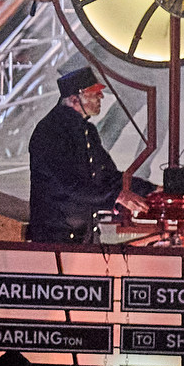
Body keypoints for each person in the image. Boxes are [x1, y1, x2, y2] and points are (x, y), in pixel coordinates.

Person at [28, 67, 151, 244]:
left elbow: (107, 175)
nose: (100, 97)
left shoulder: (87, 131)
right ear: (73, 99)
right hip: (56, 236)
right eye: (94, 94)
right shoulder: (50, 132)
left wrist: (150, 190)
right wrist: (119, 196)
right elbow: (70, 184)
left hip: (84, 232)